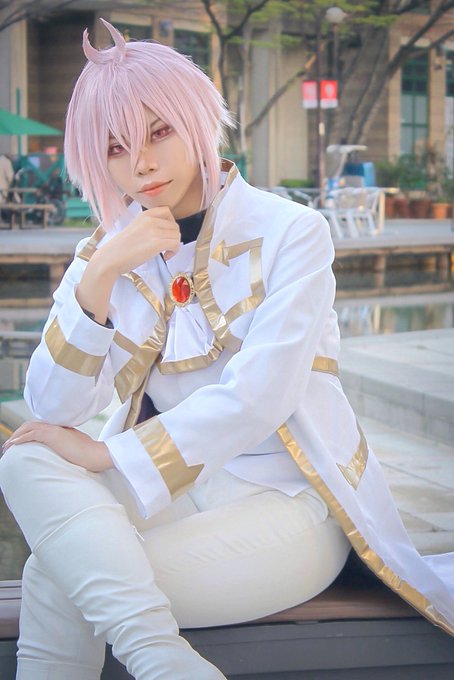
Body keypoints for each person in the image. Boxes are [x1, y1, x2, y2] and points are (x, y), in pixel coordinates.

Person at [0, 17, 452, 680]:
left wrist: (106, 453)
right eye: (116, 147)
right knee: (27, 457)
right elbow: (51, 409)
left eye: (159, 132)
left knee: (60, 575)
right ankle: (164, 661)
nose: (141, 163)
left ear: (198, 122)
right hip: (173, 491)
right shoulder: (107, 251)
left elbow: (261, 396)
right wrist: (99, 277)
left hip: (291, 499)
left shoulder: (291, 231)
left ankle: (157, 657)